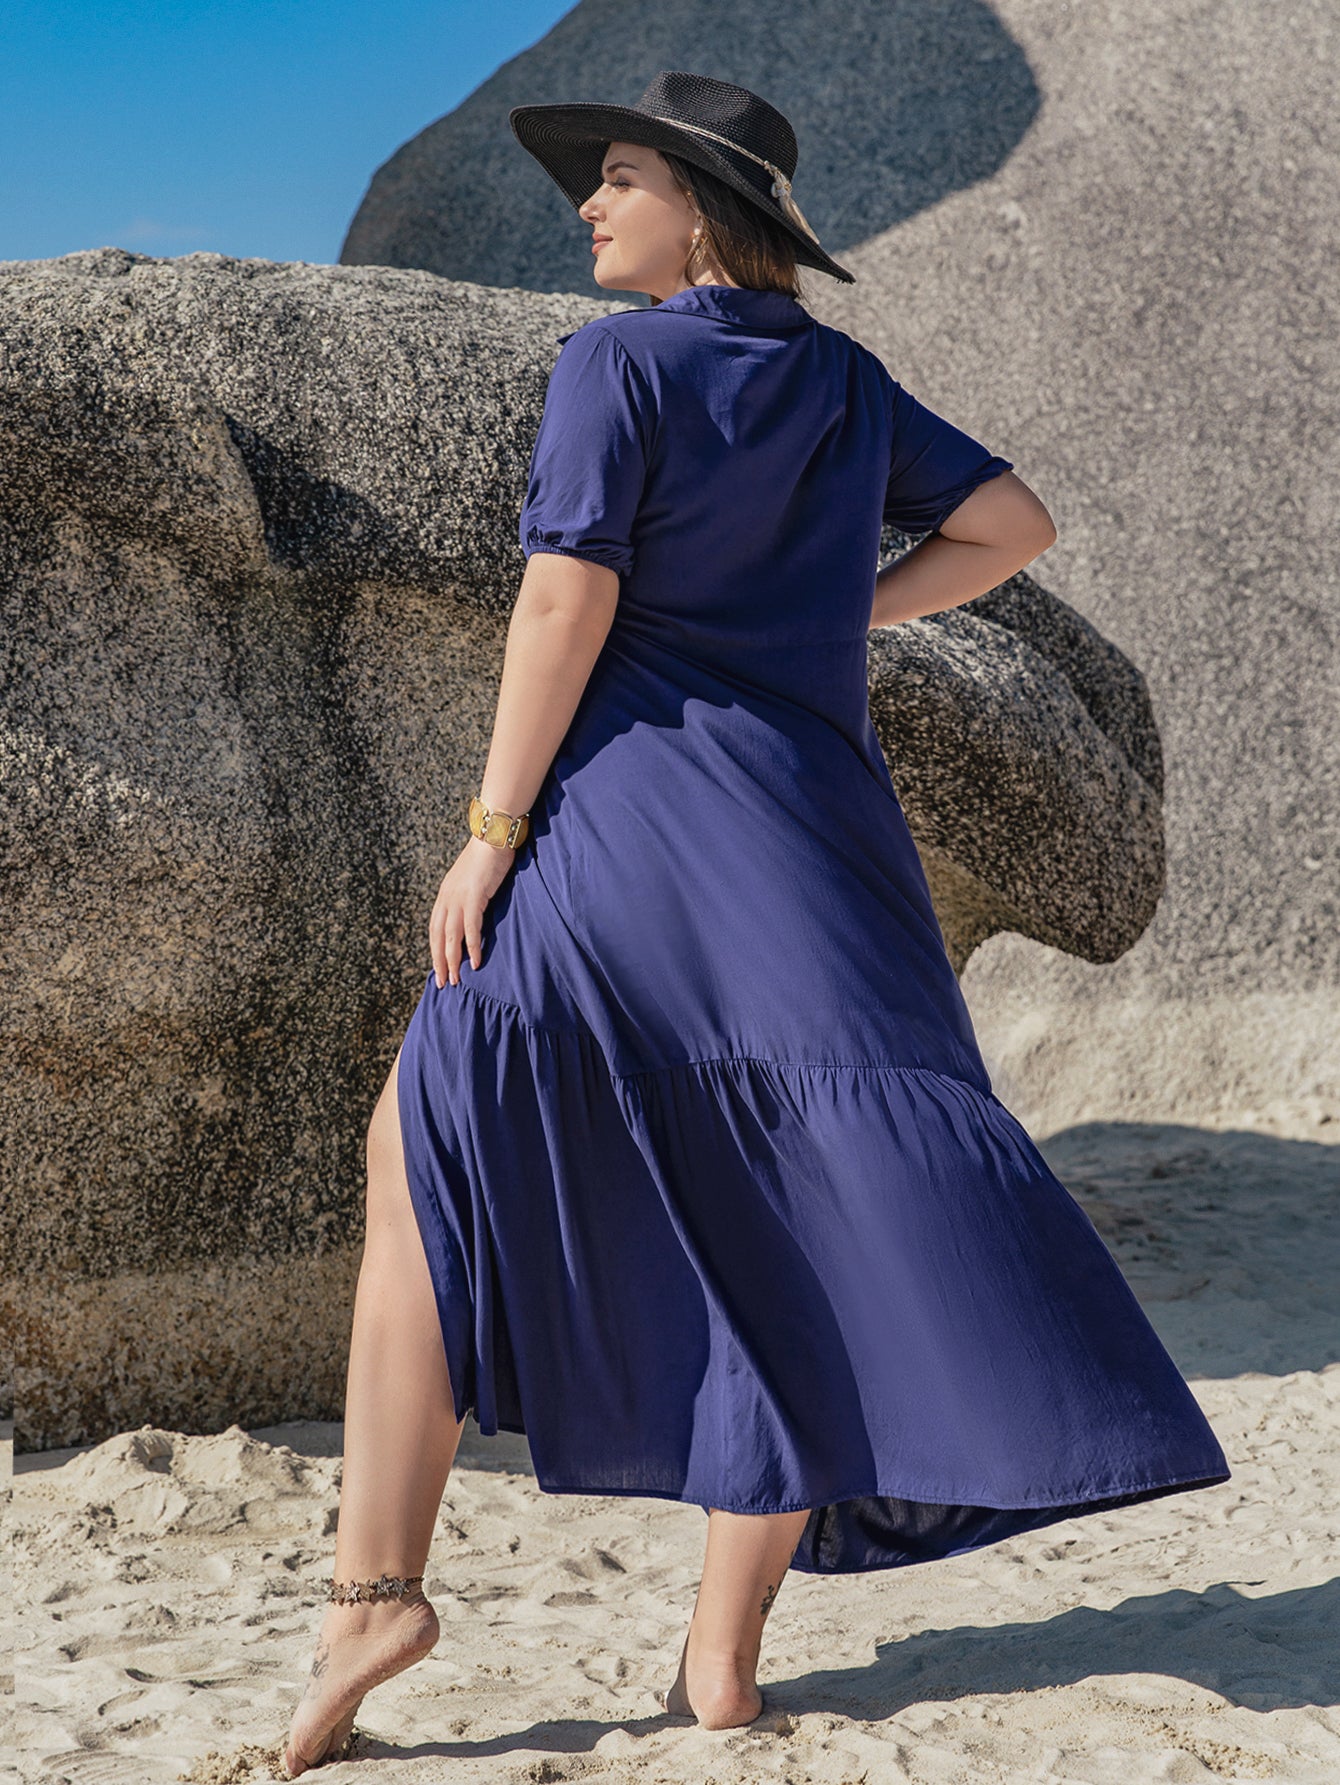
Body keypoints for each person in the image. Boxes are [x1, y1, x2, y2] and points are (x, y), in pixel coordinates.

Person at [282, 71, 1230, 1776]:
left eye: (621, 177)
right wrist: (838, 610)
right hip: (821, 845)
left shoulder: (619, 365)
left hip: (634, 833)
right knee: (804, 1206)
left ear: (705, 208)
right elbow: (1015, 526)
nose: (591, 204)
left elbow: (565, 598)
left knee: (420, 1151)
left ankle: (377, 1589)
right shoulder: (846, 384)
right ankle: (720, 1662)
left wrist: (489, 834)